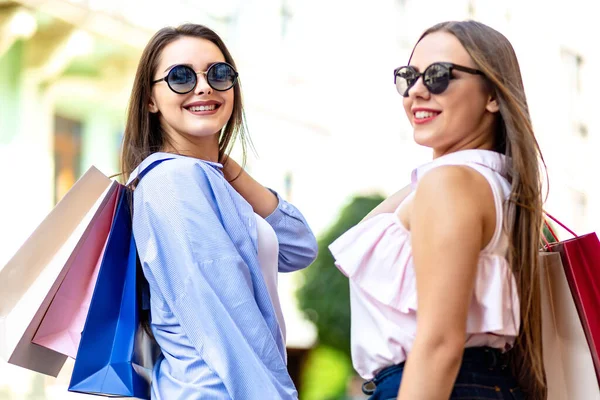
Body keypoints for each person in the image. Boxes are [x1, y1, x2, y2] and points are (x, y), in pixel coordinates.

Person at [329, 20, 546, 400]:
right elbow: (368, 231)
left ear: (493, 95)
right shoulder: (486, 183)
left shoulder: (451, 184)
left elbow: (440, 344)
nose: (416, 91)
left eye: (439, 75)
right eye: (408, 76)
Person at [120, 23, 318, 399]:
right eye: (180, 76)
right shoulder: (173, 182)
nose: (204, 86)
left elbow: (298, 246)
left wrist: (224, 166)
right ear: (150, 99)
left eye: (219, 73)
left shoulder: (206, 177)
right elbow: (226, 320)